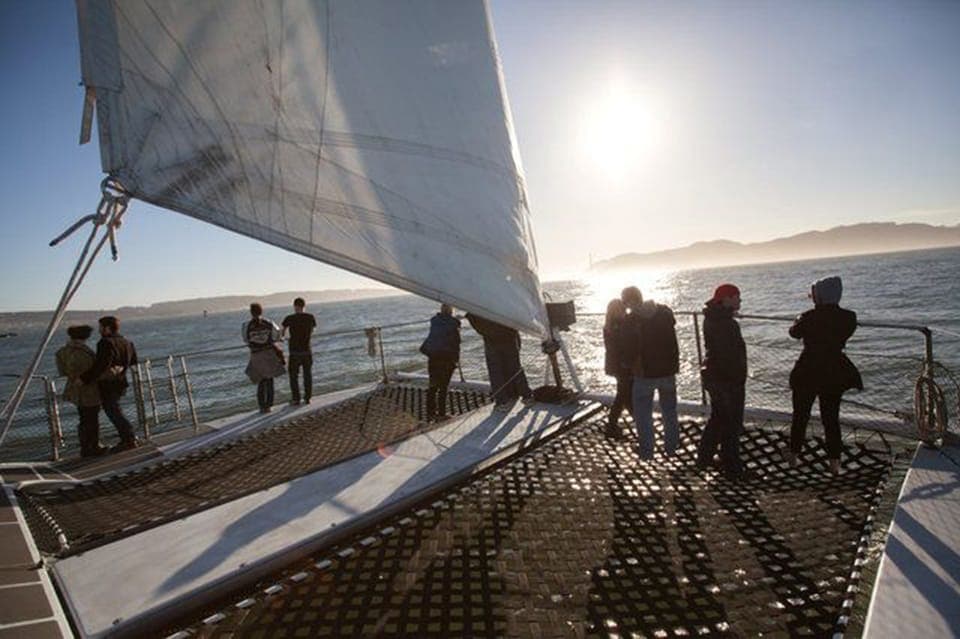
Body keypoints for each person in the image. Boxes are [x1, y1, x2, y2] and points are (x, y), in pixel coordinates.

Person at [783, 276, 862, 475]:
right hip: (834, 371)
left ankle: (793, 455)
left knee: (800, 415)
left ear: (818, 295)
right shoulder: (849, 317)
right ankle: (835, 463)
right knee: (831, 418)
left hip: (807, 370)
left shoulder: (808, 316)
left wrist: (798, 319)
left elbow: (794, 333)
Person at [622, 286, 680, 459]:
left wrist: (626, 364)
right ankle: (671, 448)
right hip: (668, 370)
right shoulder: (664, 312)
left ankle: (647, 451)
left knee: (643, 414)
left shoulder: (630, 320)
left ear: (629, 301)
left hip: (645, 374)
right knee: (670, 411)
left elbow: (629, 349)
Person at [696, 284, 747, 479]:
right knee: (732, 423)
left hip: (714, 376)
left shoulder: (712, 318)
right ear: (726, 299)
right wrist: (737, 378)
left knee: (718, 418)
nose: (739, 300)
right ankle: (732, 467)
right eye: (736, 297)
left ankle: (704, 457)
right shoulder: (726, 324)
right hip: (727, 379)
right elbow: (729, 355)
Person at [80, 316, 139, 452]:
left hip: (108, 383)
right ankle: (128, 437)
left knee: (113, 410)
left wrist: (84, 379)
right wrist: (120, 367)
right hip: (121, 381)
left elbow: (101, 365)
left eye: (100, 327)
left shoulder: (105, 343)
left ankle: (129, 438)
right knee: (114, 409)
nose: (99, 330)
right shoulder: (127, 342)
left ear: (107, 328)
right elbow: (134, 361)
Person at [55, 325, 106, 457]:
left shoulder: (62, 352)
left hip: (74, 389)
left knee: (83, 418)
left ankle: (85, 446)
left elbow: (62, 372)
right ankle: (93, 446)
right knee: (92, 418)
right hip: (89, 389)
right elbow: (92, 370)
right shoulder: (83, 351)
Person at [465, 313, 532, 412]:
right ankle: (527, 396)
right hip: (508, 336)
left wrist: (481, 328)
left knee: (495, 372)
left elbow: (474, 319)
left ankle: (502, 402)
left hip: (491, 339)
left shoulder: (480, 306)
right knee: (515, 367)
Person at [419, 303, 461, 421]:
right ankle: (442, 414)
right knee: (443, 387)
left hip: (433, 357)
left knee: (433, 386)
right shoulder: (454, 324)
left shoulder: (434, 321)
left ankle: (430, 413)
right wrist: (456, 360)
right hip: (446, 358)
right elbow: (456, 343)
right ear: (451, 311)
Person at [243, 303, 284, 413]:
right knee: (270, 380)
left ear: (251, 312)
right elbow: (277, 335)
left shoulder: (246, 325)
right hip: (269, 353)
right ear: (261, 311)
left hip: (256, 355)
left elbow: (245, 339)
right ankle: (269, 405)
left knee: (261, 381)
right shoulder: (269, 323)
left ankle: (262, 406)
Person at [603, 298, 633, 438]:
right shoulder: (619, 326)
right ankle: (612, 426)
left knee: (622, 395)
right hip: (621, 366)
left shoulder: (609, 326)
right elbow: (621, 347)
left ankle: (612, 425)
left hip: (615, 365)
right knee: (624, 395)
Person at [281, 297, 317, 405]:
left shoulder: (289, 318)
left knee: (293, 376)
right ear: (304, 306)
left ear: (295, 306)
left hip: (294, 351)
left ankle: (296, 399)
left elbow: (282, 332)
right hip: (306, 350)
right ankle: (307, 398)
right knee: (307, 375)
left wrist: (283, 337)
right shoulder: (310, 317)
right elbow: (313, 330)